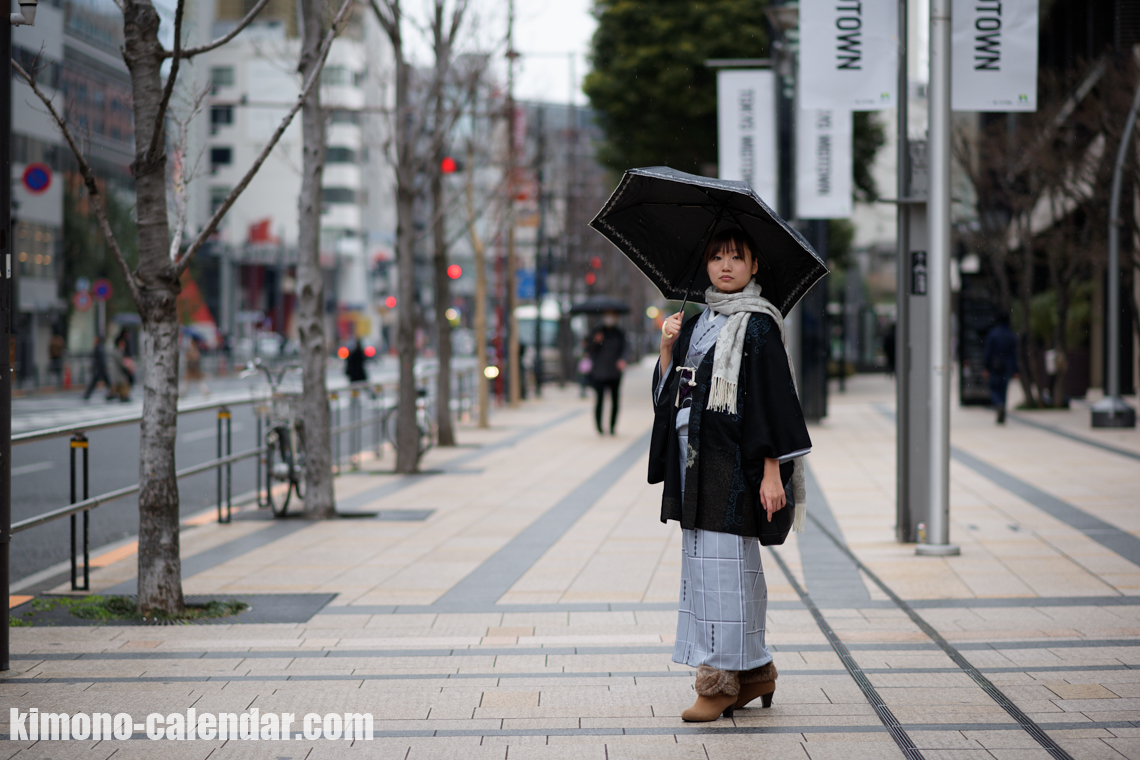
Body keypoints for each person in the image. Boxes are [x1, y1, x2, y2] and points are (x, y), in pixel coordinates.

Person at [651, 228, 812, 723]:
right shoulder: (697, 321)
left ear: (754, 266)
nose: (725, 266)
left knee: (722, 569)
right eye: (716, 257)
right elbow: (673, 393)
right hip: (693, 459)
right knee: (716, 566)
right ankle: (755, 670)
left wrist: (772, 472)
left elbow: (772, 400)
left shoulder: (758, 324)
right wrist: (667, 349)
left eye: (736, 258)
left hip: (735, 464)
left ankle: (719, 680)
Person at [587, 310, 626, 435]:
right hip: (600, 371)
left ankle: (612, 426)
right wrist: (596, 341)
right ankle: (599, 426)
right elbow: (589, 349)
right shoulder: (597, 331)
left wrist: (622, 359)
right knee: (599, 399)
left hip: (615, 371)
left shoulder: (619, 333)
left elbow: (625, 349)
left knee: (615, 400)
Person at [984, 315, 1018, 424]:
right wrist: (1015, 370)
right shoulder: (1011, 335)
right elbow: (1014, 354)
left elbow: (988, 352)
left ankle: (998, 404)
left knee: (994, 389)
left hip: (995, 365)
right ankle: (1002, 406)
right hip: (1007, 366)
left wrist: (986, 367)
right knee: (1003, 389)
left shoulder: (993, 334)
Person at [83, 335, 110, 401]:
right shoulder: (100, 347)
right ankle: (112, 393)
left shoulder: (99, 347)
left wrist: (101, 367)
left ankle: (112, 394)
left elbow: (100, 359)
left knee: (105, 382)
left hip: (99, 369)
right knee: (107, 382)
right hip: (100, 368)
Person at [107, 333, 132, 402]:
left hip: (118, 373)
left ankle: (119, 396)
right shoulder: (118, 351)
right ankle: (123, 396)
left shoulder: (118, 351)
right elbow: (121, 362)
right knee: (122, 384)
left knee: (118, 385)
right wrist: (128, 367)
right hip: (119, 373)